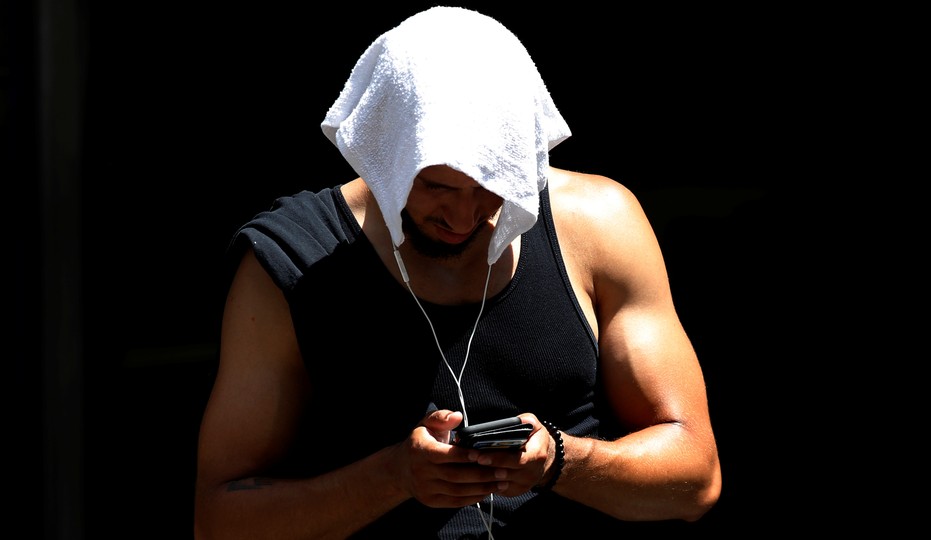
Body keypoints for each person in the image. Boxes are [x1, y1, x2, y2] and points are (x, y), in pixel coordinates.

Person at [194, 6, 721, 539]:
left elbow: (696, 478)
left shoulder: (597, 225)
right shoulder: (292, 262)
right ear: (385, 156)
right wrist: (393, 477)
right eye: (436, 188)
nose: (464, 218)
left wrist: (561, 461)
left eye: (491, 189)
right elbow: (220, 521)